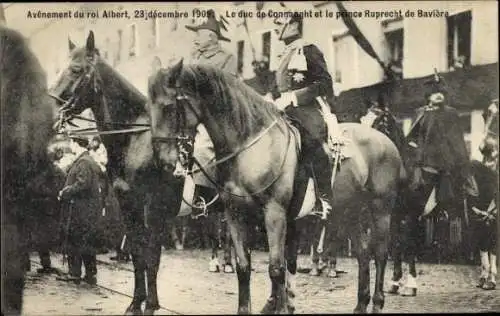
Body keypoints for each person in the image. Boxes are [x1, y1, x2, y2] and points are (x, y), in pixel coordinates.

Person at [183, 9, 237, 261]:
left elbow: (227, 88)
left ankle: (202, 197)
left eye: (200, 34)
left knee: (204, 146)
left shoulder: (226, 58)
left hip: (216, 114)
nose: (195, 38)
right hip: (191, 111)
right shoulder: (192, 56)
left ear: (212, 37)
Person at [271, 13, 335, 211]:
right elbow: (279, 87)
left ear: (294, 26)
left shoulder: (309, 50)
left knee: (311, 141)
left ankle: (323, 198)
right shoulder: (283, 54)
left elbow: (325, 83)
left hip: (306, 110)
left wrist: (294, 97)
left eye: (279, 23)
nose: (275, 28)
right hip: (282, 111)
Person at [57, 134, 103, 285]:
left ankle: (75, 273)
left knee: (76, 239)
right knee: (86, 241)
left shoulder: (83, 162)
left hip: (80, 210)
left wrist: (65, 192)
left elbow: (83, 184)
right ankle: (90, 274)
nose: (71, 146)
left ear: (77, 144)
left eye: (72, 143)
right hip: (86, 210)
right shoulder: (87, 160)